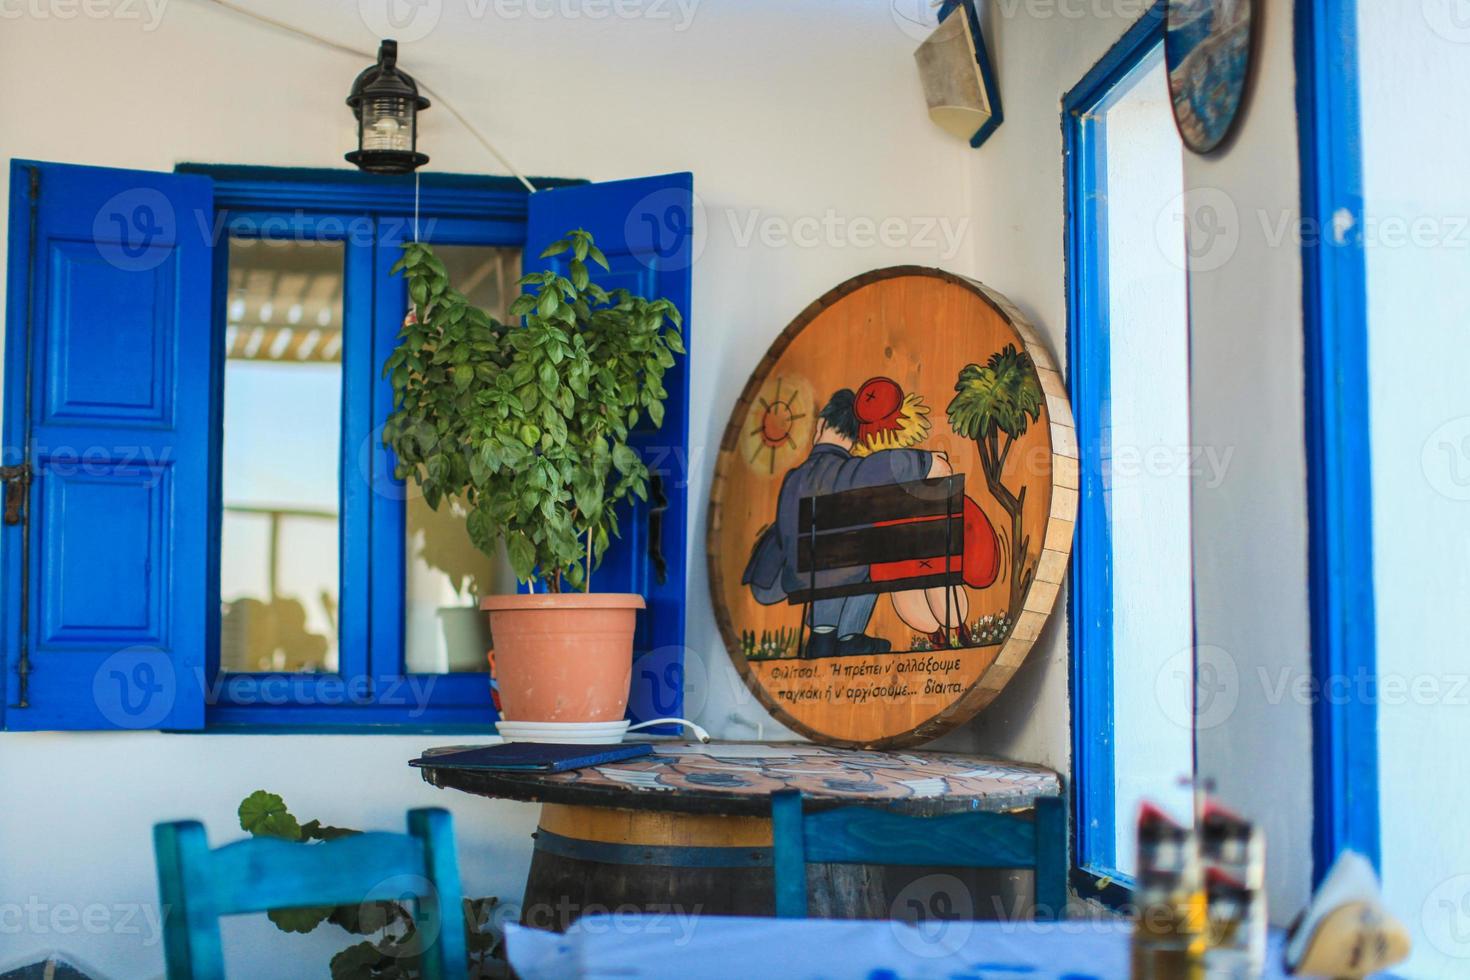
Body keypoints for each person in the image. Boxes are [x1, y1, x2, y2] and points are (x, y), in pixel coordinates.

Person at [743, 385, 952, 657]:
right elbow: (900, 464)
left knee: (832, 551)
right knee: (868, 550)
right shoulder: (855, 472)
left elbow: (785, 537)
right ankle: (848, 635)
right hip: (838, 572)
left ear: (821, 426)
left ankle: (823, 634)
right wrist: (928, 461)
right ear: (856, 438)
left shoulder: (794, 478)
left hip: (790, 577)